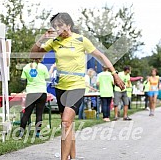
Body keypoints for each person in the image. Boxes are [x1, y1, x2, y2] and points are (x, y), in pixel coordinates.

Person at [30, 12, 125, 160]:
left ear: (69, 25)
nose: (58, 28)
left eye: (61, 25)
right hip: (61, 86)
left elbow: (101, 56)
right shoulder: (55, 41)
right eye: (55, 26)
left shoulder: (81, 40)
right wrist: (42, 38)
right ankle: (72, 157)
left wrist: (115, 74)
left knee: (66, 122)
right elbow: (34, 55)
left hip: (77, 86)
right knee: (68, 125)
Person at [19, 58, 50, 138]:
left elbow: (22, 80)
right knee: (39, 114)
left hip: (31, 92)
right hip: (41, 92)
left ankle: (21, 133)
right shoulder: (43, 67)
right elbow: (47, 79)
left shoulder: (26, 67)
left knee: (26, 114)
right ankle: (37, 133)